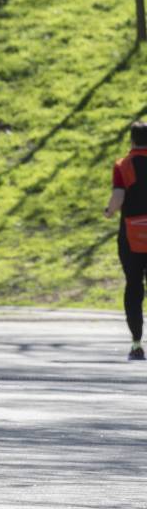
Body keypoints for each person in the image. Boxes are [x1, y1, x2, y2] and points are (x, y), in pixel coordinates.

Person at [104, 121, 147, 361]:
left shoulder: (124, 165)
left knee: (134, 287)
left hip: (132, 237)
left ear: (132, 140)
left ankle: (136, 343)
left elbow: (118, 196)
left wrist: (108, 212)